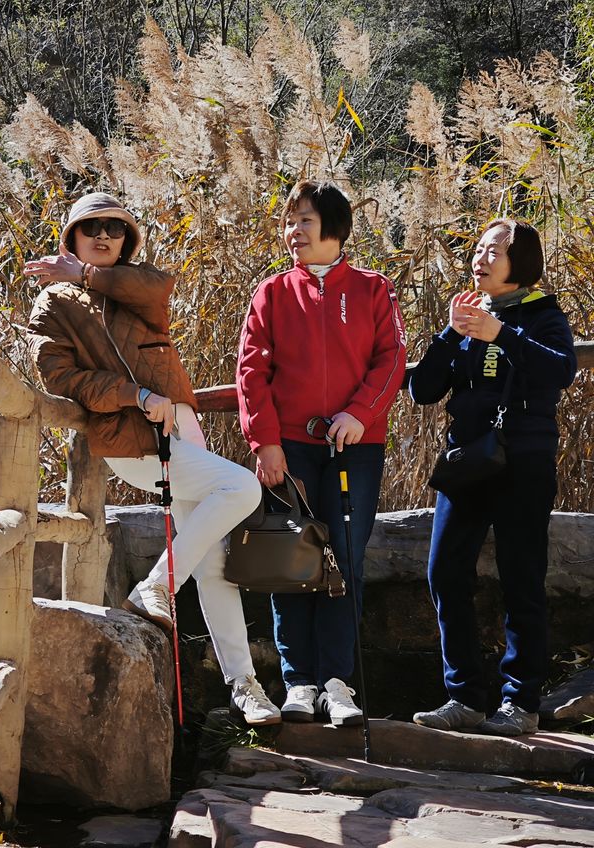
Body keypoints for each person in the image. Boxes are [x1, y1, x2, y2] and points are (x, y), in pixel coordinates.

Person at [25, 191, 281, 726]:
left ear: (127, 239)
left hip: (182, 427)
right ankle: (157, 586)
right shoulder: (52, 303)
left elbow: (160, 288)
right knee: (241, 488)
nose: (103, 235)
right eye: (90, 227)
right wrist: (135, 395)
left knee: (213, 564)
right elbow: (63, 379)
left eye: (115, 228)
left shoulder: (133, 284)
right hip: (130, 437)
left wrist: (87, 275)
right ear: (71, 236)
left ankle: (245, 687)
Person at [236, 180, 406, 726]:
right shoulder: (272, 293)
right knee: (289, 560)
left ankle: (337, 683)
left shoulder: (374, 289)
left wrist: (359, 413)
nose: (294, 231)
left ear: (334, 226)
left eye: (305, 220)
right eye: (289, 222)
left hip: (356, 447)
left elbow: (391, 360)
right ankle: (299, 683)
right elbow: (251, 373)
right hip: (290, 451)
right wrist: (265, 442)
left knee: (344, 560)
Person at [409, 218, 577, 736]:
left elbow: (561, 371)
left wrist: (500, 334)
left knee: (521, 579)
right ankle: (464, 697)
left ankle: (520, 703)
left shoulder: (544, 314)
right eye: (478, 249)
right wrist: (450, 333)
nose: (479, 258)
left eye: (493, 252)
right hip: (468, 461)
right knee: (444, 572)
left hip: (523, 461)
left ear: (519, 262)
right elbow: (422, 390)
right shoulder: (469, 315)